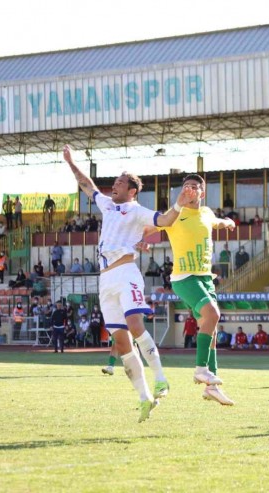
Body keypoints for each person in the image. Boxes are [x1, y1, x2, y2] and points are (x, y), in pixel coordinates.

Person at [64, 144, 196, 421]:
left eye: (121, 182)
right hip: (105, 280)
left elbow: (165, 220)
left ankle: (161, 378)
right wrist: (71, 162)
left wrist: (179, 204)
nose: (115, 184)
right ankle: (145, 397)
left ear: (132, 191)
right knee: (122, 343)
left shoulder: (137, 211)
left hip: (125, 273)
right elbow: (86, 184)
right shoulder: (107, 204)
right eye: (115, 181)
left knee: (135, 326)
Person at [151, 173, 236, 406]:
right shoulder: (175, 214)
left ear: (202, 193)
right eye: (186, 186)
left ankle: (212, 387)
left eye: (194, 187)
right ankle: (200, 369)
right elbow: (153, 225)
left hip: (205, 278)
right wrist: (141, 239)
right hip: (184, 277)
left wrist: (227, 222)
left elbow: (216, 221)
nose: (189, 189)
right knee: (213, 315)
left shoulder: (206, 213)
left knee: (212, 330)